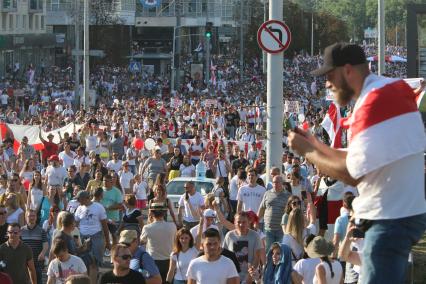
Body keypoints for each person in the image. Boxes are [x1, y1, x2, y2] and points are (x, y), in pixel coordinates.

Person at [288, 42, 426, 283]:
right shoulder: (391, 89)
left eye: (330, 76)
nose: (327, 84)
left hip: (388, 221)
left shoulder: (372, 103)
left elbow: (353, 173)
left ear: (348, 70)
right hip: (402, 216)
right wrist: (317, 145)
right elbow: (360, 157)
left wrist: (308, 151)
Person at [74, 190, 110, 284]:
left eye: (79, 199)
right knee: (83, 262)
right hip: (82, 237)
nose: (78, 201)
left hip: (96, 236)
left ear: (86, 198)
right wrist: (76, 240)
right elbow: (75, 225)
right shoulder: (79, 208)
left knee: (94, 263)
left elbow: (105, 225)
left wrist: (107, 241)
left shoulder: (98, 207)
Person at [222, 211, 263, 283]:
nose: (241, 224)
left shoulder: (255, 236)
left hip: (249, 277)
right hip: (232, 276)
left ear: (249, 222)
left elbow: (257, 258)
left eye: (244, 222)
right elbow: (224, 256)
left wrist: (249, 277)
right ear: (234, 222)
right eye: (238, 222)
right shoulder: (229, 235)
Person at [140, 203, 177, 282]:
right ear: (164, 213)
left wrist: (148, 221)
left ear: (152, 213)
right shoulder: (172, 226)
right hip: (169, 261)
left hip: (153, 261)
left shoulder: (147, 228)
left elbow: (142, 241)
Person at [257, 175, 290, 252]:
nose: (275, 184)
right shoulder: (267, 193)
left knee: (280, 252)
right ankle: (268, 264)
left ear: (282, 183)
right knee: (268, 251)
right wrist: (256, 221)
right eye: (274, 182)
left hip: (281, 230)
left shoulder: (288, 195)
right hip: (268, 229)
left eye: (277, 182)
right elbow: (262, 208)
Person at [21, 209, 49, 284]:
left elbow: (46, 244)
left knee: (38, 282)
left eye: (33, 216)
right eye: (30, 216)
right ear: (26, 217)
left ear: (36, 217)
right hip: (24, 263)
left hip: (37, 262)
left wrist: (42, 253)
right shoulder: (21, 231)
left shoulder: (41, 231)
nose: (32, 218)